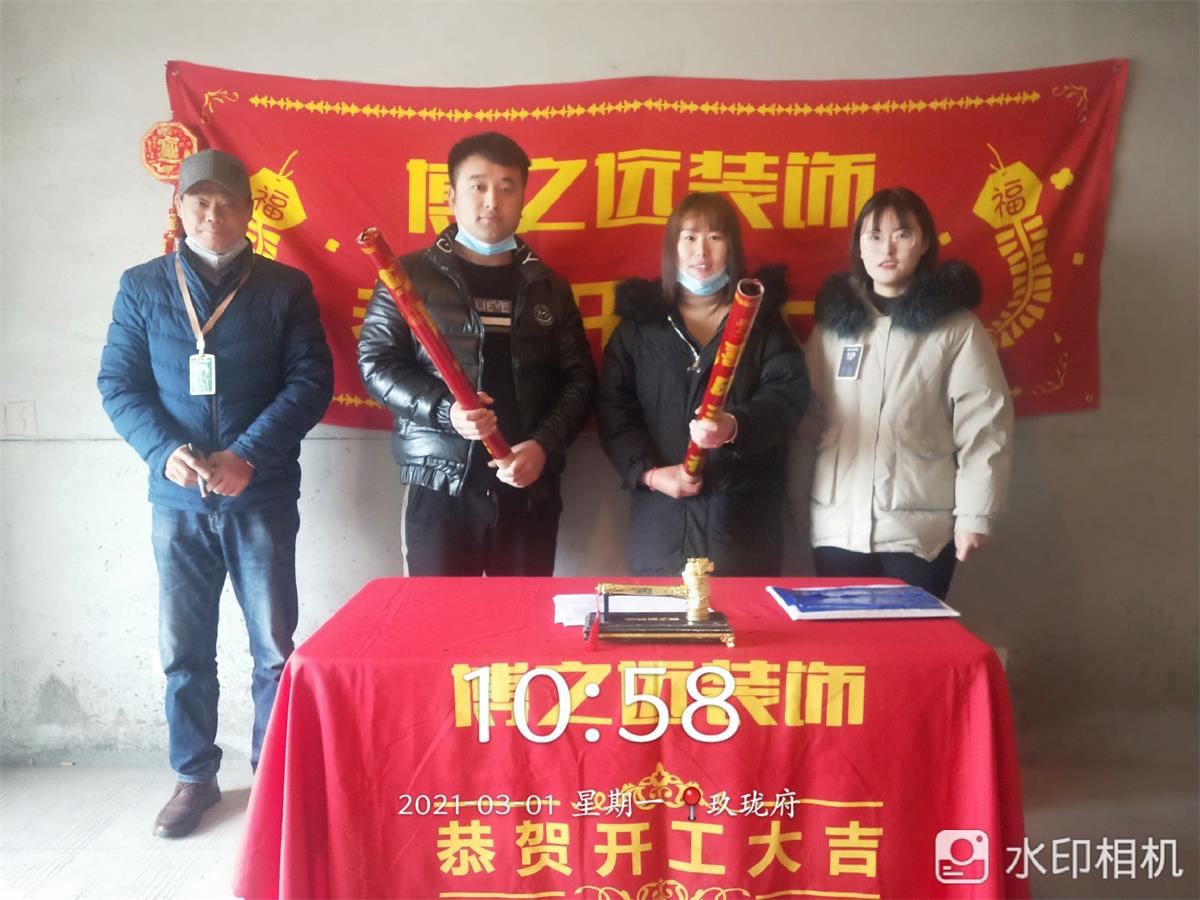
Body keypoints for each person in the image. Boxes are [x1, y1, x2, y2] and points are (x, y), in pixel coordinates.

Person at [97, 149, 333, 838]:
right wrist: (163, 451)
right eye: (199, 200)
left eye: (228, 201)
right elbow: (118, 383)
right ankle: (193, 777)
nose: (213, 213)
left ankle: (271, 776)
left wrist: (247, 455)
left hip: (260, 494)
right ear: (179, 207)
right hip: (177, 501)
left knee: (274, 648)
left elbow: (310, 382)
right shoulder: (142, 286)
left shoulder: (286, 288)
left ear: (250, 211)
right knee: (184, 649)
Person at [358, 132, 596, 575]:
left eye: (507, 188)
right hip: (440, 485)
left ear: (523, 199)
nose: (492, 200)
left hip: (527, 485)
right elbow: (377, 365)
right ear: (451, 196)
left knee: (522, 616)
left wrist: (543, 446)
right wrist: (445, 411)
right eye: (478, 186)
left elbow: (579, 381)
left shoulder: (549, 287)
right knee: (437, 616)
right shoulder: (406, 278)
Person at [805, 186, 1013, 599]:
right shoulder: (833, 327)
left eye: (902, 234)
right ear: (859, 247)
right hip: (836, 527)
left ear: (925, 243)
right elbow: (807, 422)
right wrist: (797, 503)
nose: (887, 248)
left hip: (919, 533)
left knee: (913, 638)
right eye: (874, 236)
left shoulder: (956, 328)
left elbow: (985, 425)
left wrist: (975, 514)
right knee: (842, 639)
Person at [598, 192, 810, 576]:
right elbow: (614, 412)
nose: (702, 251)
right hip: (661, 525)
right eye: (689, 237)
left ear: (732, 246)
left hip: (743, 526)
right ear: (672, 247)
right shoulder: (638, 328)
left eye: (715, 236)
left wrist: (735, 426)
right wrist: (650, 474)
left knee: (745, 614)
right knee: (661, 614)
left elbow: (787, 398)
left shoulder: (763, 324)